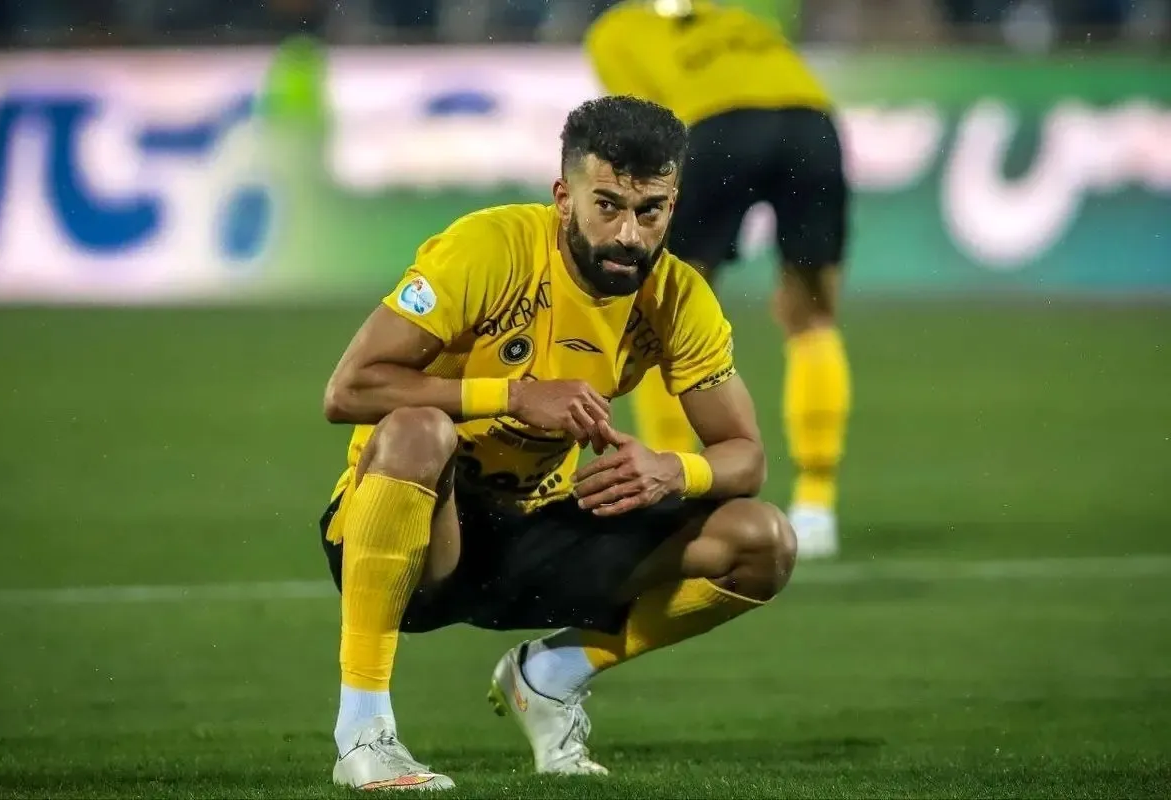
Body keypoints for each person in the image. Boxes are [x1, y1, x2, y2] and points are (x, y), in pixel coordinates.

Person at [318, 95, 797, 790]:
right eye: (608, 206)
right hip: (421, 531)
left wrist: (671, 470)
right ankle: (363, 733)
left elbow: (745, 456)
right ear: (564, 197)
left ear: (673, 205)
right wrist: (513, 395)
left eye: (651, 211)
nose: (629, 234)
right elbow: (348, 390)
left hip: (537, 528)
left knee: (763, 540)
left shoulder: (677, 297)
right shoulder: (489, 249)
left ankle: (551, 676)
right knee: (418, 431)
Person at [585, 0, 852, 558]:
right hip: (813, 125)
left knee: (660, 314)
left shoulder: (614, 32)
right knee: (811, 317)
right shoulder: (740, 18)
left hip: (719, 126)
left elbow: (643, 131)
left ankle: (666, 491)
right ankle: (816, 505)